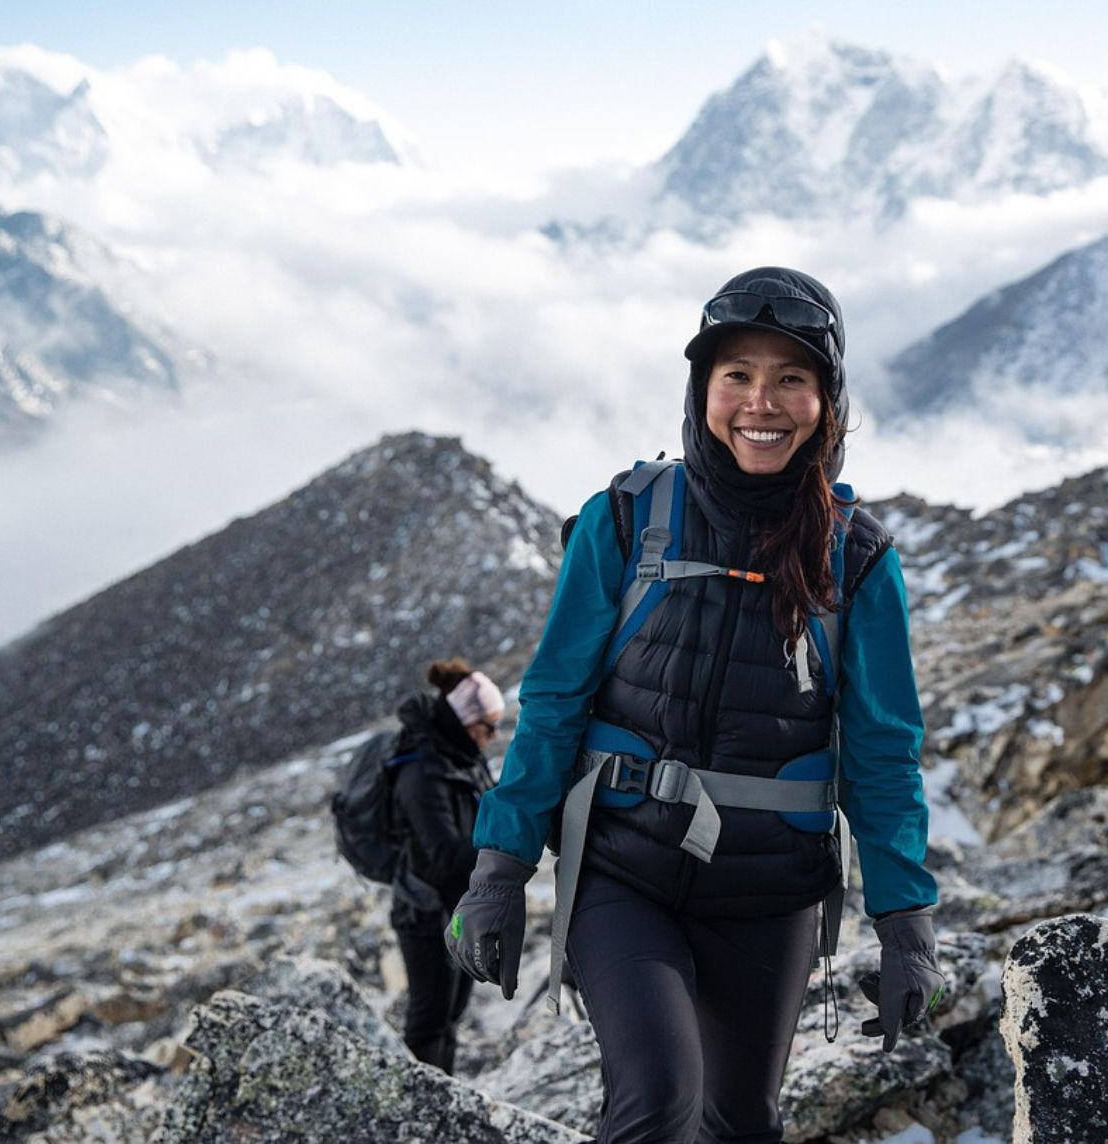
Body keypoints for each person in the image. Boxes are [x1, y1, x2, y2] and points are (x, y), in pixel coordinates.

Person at [446, 267, 943, 1141]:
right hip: (624, 869)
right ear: (702, 390)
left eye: (793, 377)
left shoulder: (858, 560)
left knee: (742, 1121)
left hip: (769, 891)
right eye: (737, 376)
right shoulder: (626, 521)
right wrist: (499, 868)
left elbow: (882, 754)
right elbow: (555, 704)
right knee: (657, 1101)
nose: (764, 401)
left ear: (828, 402)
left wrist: (907, 922)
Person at [388, 659, 502, 1074]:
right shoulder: (422, 770)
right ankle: (417, 1113)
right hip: (425, 913)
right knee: (429, 1020)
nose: (492, 737)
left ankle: (441, 1106)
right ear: (465, 720)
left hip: (459, 909)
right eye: (487, 726)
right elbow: (442, 854)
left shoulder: (461, 759)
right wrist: (502, 856)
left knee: (450, 1016)